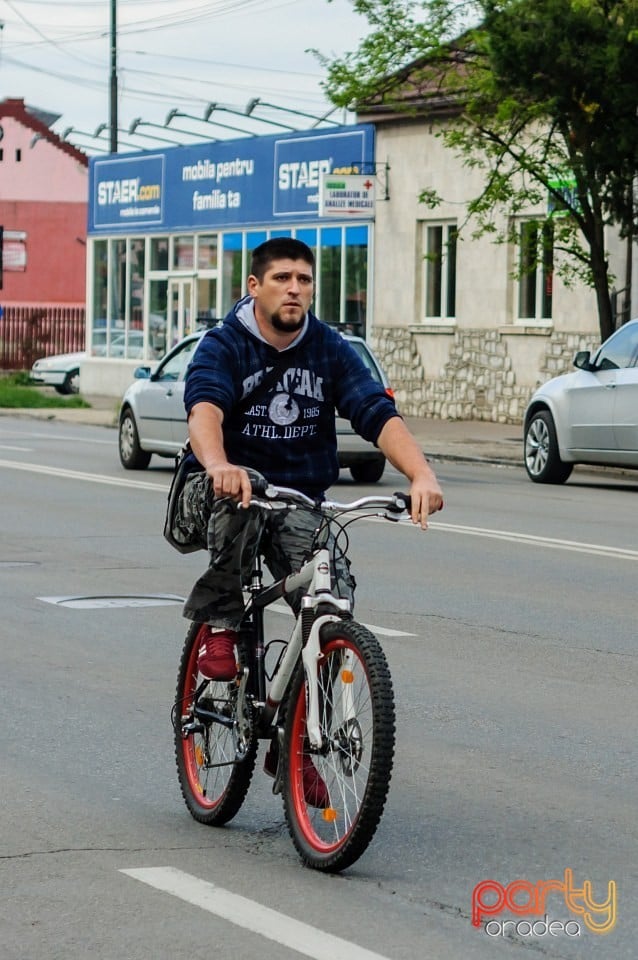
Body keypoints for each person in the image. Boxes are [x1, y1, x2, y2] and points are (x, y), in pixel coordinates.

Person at [173, 237, 443, 801]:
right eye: (281, 279)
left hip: (300, 498)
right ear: (255, 286)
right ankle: (221, 628)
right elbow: (204, 408)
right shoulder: (225, 345)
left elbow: (375, 411)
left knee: (329, 596)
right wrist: (220, 464)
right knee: (240, 510)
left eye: (303, 279)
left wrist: (421, 474)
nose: (294, 288)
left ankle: (294, 738)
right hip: (227, 488)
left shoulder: (328, 348)